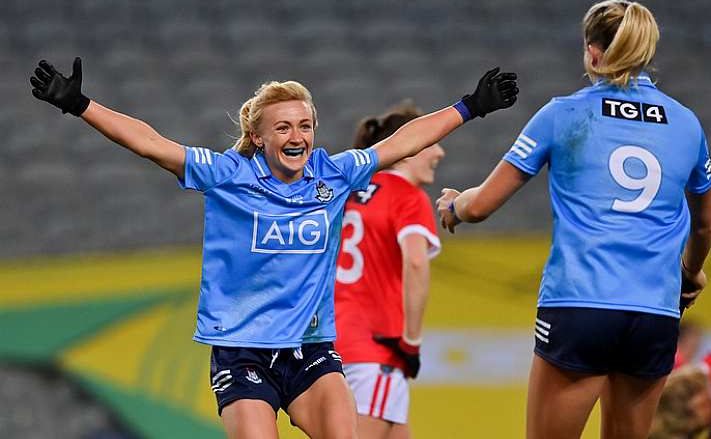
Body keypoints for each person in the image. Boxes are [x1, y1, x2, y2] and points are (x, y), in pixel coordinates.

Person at [29, 58, 518, 439]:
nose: (296, 136)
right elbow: (151, 143)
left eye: (304, 125)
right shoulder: (227, 175)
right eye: (282, 127)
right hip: (242, 351)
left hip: (310, 348)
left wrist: (469, 106)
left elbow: (403, 141)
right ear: (257, 137)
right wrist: (81, 104)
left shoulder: (334, 173)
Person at [435, 0, 711, 439]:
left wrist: (454, 206)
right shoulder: (687, 124)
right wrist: (690, 272)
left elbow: (482, 205)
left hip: (580, 304)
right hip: (654, 314)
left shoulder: (563, 113)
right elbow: (704, 227)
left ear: (592, 51)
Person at [334, 101, 443, 439]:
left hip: (334, 346)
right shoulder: (408, 197)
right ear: (407, 149)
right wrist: (410, 340)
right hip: (375, 350)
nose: (439, 152)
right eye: (430, 142)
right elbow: (415, 260)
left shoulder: (344, 193)